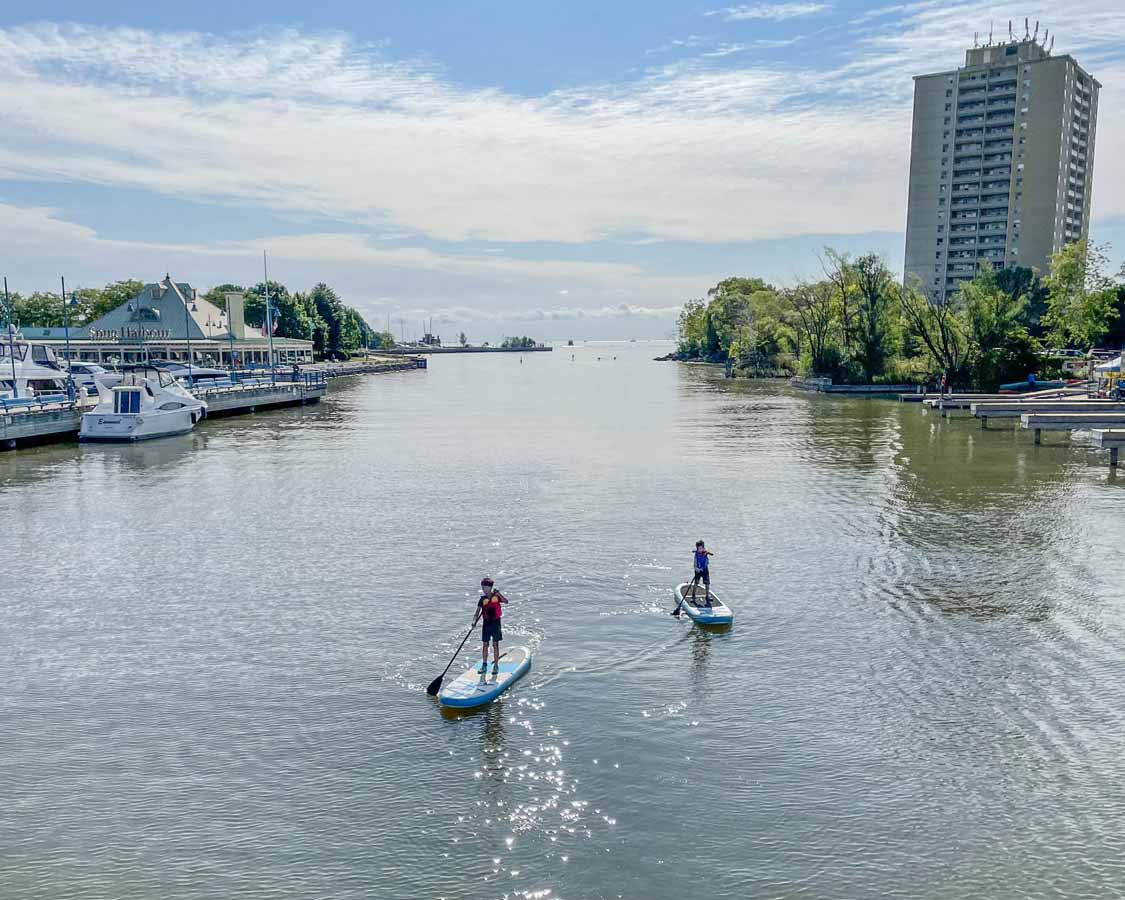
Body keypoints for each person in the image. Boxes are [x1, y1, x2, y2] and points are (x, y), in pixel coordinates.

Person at [476, 577, 508, 674]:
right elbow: (477, 612)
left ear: (490, 587)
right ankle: (484, 665)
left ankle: (496, 666)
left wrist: (499, 594)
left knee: (495, 644)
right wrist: (474, 622)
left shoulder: (496, 597)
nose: (484, 589)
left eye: (485, 587)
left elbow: (506, 601)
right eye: (483, 588)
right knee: (485, 645)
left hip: (495, 623)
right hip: (486, 624)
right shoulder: (482, 599)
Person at [690, 540, 714, 607]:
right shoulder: (696, 554)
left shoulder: (705, 552)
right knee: (696, 583)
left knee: (707, 583)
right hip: (698, 570)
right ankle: (693, 595)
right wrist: (696, 568)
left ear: (703, 548)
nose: (700, 550)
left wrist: (707, 552)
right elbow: (694, 563)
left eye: (701, 548)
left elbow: (712, 554)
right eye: (698, 548)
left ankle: (707, 596)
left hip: (705, 570)